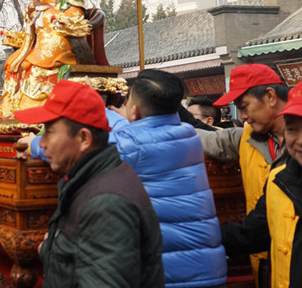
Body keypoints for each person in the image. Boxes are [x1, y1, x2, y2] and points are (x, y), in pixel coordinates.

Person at [26, 71, 228, 287]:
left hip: (173, 271)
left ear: (135, 111)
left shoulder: (132, 144)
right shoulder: (189, 134)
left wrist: (33, 143)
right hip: (206, 264)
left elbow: (90, 143)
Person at [13, 81, 163, 287]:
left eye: (49, 131)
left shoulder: (107, 203)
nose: (42, 142)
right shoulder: (91, 180)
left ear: (84, 138)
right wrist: (51, 250)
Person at [196, 64, 289, 282]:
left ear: (270, 96)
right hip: (264, 259)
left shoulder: (296, 147)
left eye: (245, 106)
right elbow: (203, 138)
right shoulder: (245, 138)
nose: (243, 116)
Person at [0, 0, 96, 117]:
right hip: (42, 39)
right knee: (13, 62)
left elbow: (75, 17)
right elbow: (37, 20)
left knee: (35, 63)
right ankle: (10, 109)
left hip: (63, 39)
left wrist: (47, 12)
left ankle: (33, 109)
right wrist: (31, 19)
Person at [221, 81, 302, 287]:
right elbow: (254, 232)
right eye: (292, 129)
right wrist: (197, 234)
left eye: (244, 106)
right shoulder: (278, 181)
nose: (299, 140)